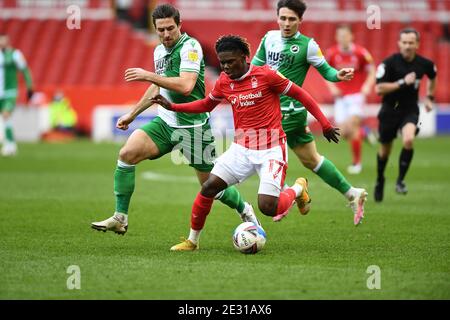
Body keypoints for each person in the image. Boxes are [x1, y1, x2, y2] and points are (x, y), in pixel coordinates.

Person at [150, 35, 340, 251]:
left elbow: (302, 95)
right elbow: (206, 104)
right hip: (241, 148)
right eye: (222, 62)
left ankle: (298, 188)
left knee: (268, 207)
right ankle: (192, 241)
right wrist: (172, 107)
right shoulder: (224, 81)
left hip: (271, 149)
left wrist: (324, 124)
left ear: (244, 57)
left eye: (230, 61)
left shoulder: (266, 75)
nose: (226, 66)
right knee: (209, 187)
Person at [91, 4, 258, 235]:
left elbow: (186, 86)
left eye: (170, 28)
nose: (166, 34)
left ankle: (244, 208)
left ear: (179, 25)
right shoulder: (159, 51)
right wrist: (132, 114)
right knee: (126, 154)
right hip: (165, 123)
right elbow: (157, 87)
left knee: (211, 186)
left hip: (194, 127)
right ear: (155, 29)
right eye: (161, 30)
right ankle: (120, 217)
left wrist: (148, 75)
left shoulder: (190, 47)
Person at [251, 0, 367, 225]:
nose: (286, 23)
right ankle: (352, 193)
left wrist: (338, 75)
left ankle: (288, 195)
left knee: (261, 151)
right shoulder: (268, 39)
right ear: (277, 18)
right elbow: (254, 69)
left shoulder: (308, 45)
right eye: (283, 18)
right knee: (311, 160)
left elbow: (326, 70)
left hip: (287, 111)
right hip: (277, 110)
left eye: (292, 19)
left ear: (300, 21)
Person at [374, 28, 437, 202]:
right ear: (399, 44)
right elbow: (378, 88)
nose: (408, 46)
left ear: (417, 44)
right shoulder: (388, 64)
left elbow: (433, 76)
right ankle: (380, 179)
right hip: (389, 109)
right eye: (405, 42)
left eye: (411, 43)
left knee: (408, 139)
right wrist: (402, 83)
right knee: (385, 151)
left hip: (409, 109)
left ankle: (400, 180)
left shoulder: (425, 64)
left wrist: (430, 97)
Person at [325, 24, 376, 174]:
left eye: (346, 35)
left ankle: (356, 163)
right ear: (336, 37)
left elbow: (372, 70)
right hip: (340, 98)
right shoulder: (331, 53)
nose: (343, 38)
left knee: (352, 126)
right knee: (343, 133)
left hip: (356, 95)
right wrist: (332, 87)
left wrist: (367, 86)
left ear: (351, 36)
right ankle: (365, 133)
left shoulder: (361, 53)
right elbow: (325, 72)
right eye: (340, 36)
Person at [0, 33, 33, 156]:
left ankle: (10, 145)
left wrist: (30, 86)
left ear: (7, 41)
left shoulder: (15, 54)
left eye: (3, 40)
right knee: (5, 118)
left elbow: (24, 70)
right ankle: (9, 143)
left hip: (10, 92)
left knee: (5, 115)